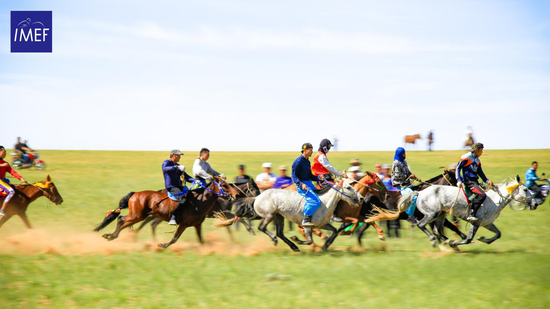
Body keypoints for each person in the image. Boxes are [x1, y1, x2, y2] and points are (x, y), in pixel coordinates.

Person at [456, 143, 494, 221]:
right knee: (481, 195)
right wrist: (459, 180)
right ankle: (472, 213)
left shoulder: (477, 160)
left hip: (475, 181)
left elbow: (480, 172)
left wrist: (487, 181)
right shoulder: (466, 157)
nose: (482, 152)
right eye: (481, 150)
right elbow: (458, 168)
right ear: (476, 150)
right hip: (469, 182)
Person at [162, 149, 196, 225]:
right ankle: (173, 218)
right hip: (172, 187)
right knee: (183, 200)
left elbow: (186, 177)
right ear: (172, 155)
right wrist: (176, 168)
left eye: (179, 155)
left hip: (180, 187)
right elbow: (165, 169)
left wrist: (195, 180)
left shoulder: (178, 166)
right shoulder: (167, 162)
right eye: (178, 155)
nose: (179, 157)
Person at [292, 143, 321, 227]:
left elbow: (310, 176)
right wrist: (301, 184)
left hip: (309, 183)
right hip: (302, 186)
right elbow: (294, 175)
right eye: (311, 150)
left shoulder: (307, 162)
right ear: (305, 150)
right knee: (315, 201)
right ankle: (306, 220)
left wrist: (319, 178)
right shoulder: (298, 161)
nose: (312, 152)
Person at [391, 147, 422, 224]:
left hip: (407, 183)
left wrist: (415, 177)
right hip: (400, 185)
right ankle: (410, 216)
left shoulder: (404, 162)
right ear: (401, 154)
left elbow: (408, 172)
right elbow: (398, 176)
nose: (405, 155)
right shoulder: (396, 163)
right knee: (414, 197)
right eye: (404, 153)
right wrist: (408, 176)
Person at [0, 145, 27, 216]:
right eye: (3, 152)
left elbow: (12, 172)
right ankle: (2, 209)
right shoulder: (4, 164)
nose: (5, 154)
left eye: (5, 152)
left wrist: (21, 178)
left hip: (3, 181)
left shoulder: (6, 163)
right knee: (11, 191)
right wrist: (2, 166)